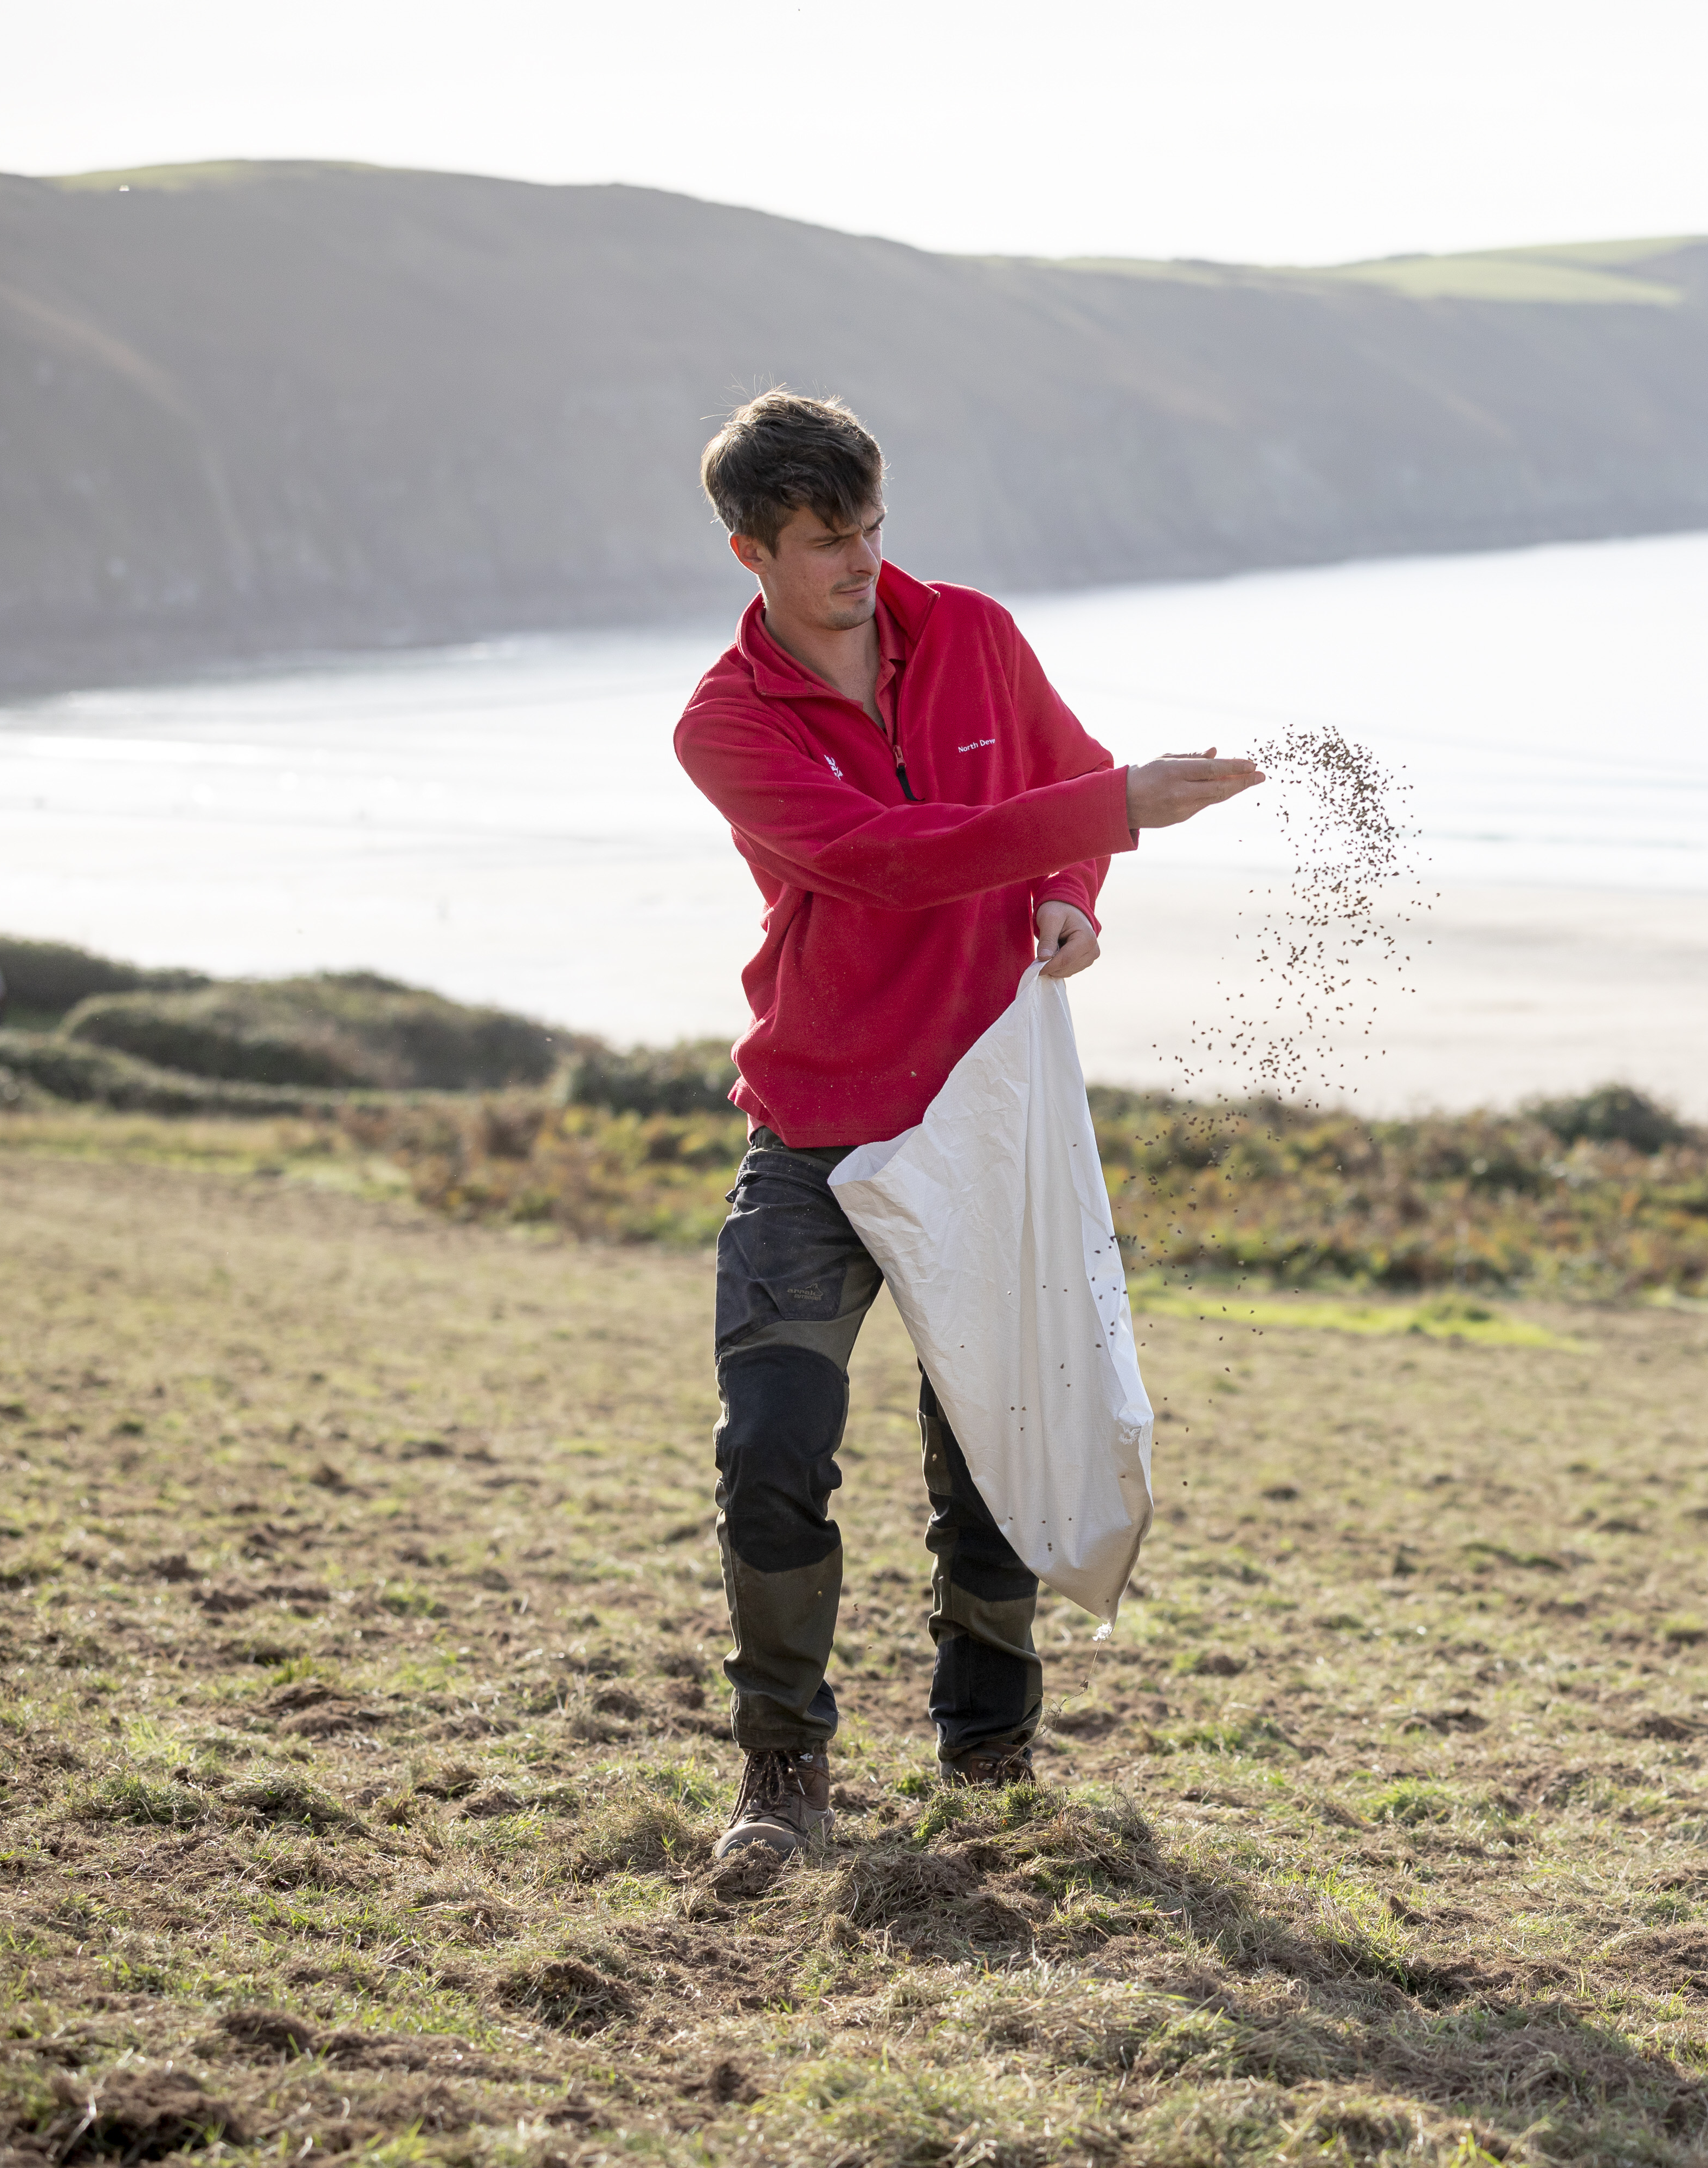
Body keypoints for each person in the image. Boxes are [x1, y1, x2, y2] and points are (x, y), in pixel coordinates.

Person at [672, 390, 1258, 1860]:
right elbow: (881, 863)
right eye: (823, 543)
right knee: (770, 1451)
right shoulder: (725, 723)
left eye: (871, 527)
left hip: (985, 1116)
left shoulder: (979, 638)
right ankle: (783, 1782)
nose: (862, 563)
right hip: (815, 1131)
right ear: (750, 551)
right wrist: (1111, 813)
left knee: (993, 1455)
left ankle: (989, 1770)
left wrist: (1075, 889)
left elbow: (1059, 798)